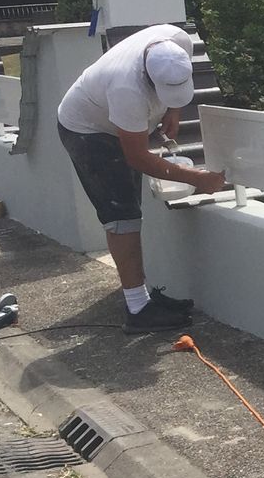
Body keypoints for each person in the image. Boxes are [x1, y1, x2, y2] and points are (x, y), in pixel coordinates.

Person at [56, 23, 229, 332]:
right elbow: (136, 157)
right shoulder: (127, 88)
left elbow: (171, 92)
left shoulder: (177, 42)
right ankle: (138, 310)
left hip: (107, 117)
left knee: (130, 210)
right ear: (148, 78)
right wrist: (195, 178)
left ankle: (144, 298)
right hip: (86, 131)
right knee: (122, 215)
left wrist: (172, 110)